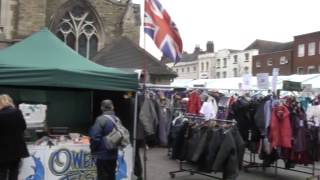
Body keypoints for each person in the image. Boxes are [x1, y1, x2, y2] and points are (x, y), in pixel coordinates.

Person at [0, 94, 29, 180]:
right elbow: (24, 127)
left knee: (2, 172)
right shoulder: (17, 112)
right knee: (14, 171)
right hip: (16, 149)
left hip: (2, 149)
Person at [89, 99, 119, 180]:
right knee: (111, 176)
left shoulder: (100, 119)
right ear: (112, 107)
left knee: (103, 177)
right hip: (114, 154)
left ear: (102, 108)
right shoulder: (117, 119)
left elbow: (95, 137)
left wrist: (93, 151)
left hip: (102, 155)